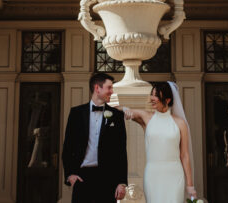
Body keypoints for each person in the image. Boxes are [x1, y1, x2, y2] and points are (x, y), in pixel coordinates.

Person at [123, 81, 197, 203]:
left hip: (174, 174)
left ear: (167, 100)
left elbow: (184, 155)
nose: (152, 98)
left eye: (156, 95)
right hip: (153, 174)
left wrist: (190, 186)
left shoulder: (180, 123)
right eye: (151, 94)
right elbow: (117, 109)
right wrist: (126, 110)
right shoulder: (146, 117)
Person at [62, 72, 129, 202]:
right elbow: (68, 146)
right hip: (82, 177)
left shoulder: (116, 115)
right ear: (97, 88)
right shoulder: (76, 113)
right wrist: (70, 174)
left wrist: (121, 182)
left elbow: (120, 151)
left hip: (108, 178)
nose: (112, 91)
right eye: (109, 88)